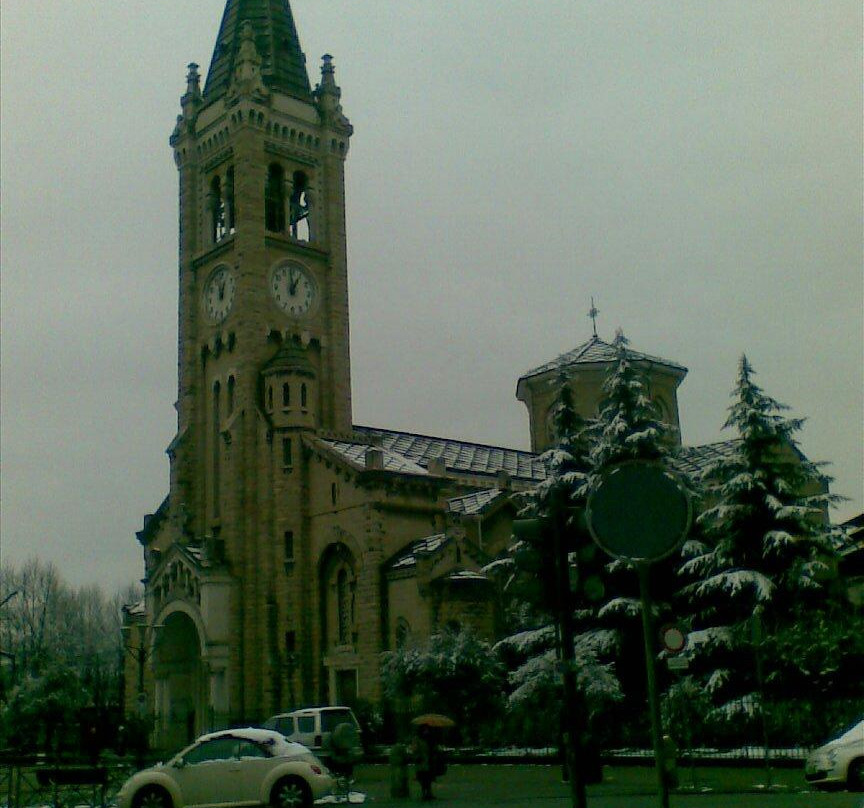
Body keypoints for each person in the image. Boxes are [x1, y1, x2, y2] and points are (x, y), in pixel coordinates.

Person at [410, 725, 444, 801]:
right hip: (422, 762)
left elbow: (434, 749)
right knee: (423, 778)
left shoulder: (430, 739)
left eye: (427, 729)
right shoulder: (417, 739)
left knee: (428, 778)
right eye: (425, 729)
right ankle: (424, 793)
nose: (426, 731)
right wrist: (417, 755)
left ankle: (429, 793)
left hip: (429, 762)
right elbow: (414, 749)